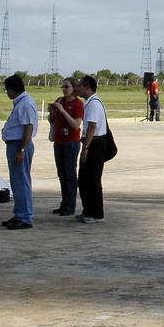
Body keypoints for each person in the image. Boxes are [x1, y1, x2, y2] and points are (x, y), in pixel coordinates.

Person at [1, 74, 38, 229]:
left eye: (6, 90)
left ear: (11, 89)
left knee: (21, 181)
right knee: (17, 181)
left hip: (19, 145)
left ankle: (25, 217)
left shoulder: (25, 104)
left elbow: (28, 127)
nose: (7, 93)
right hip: (15, 144)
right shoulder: (21, 102)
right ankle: (19, 213)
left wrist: (22, 149)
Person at [47, 77, 85, 216]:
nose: (64, 89)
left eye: (66, 87)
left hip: (71, 141)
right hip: (59, 141)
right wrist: (52, 113)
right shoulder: (60, 100)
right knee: (61, 173)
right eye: (62, 87)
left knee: (70, 174)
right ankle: (64, 203)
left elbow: (76, 125)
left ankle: (70, 205)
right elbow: (52, 120)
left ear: (73, 88)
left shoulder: (78, 104)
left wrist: (63, 111)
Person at [77, 75, 110, 223]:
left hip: (95, 144)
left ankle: (97, 213)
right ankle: (88, 210)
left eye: (80, 86)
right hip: (92, 142)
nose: (78, 89)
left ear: (87, 87)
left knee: (93, 179)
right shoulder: (89, 103)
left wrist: (86, 148)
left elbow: (92, 126)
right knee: (84, 179)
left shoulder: (94, 104)